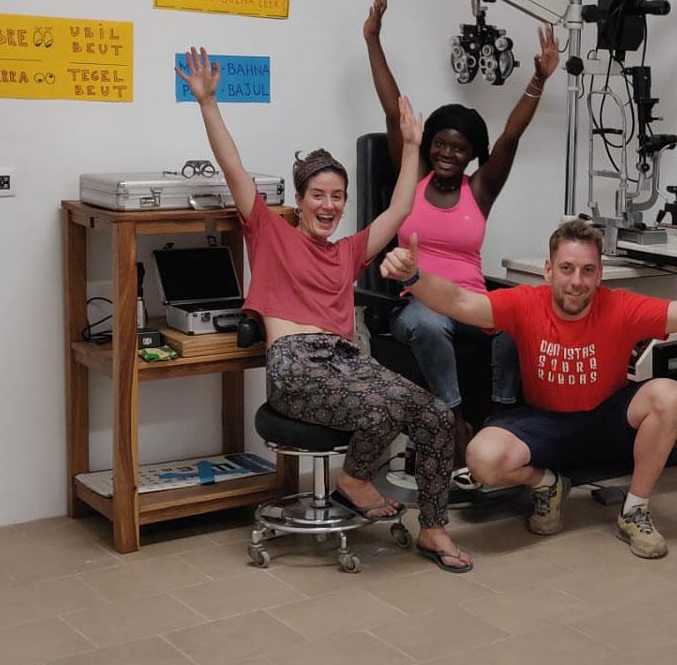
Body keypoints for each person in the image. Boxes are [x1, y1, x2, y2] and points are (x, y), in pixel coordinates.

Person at [175, 46, 473, 574]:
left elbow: (401, 207)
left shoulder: (349, 251)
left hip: (346, 361)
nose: (329, 206)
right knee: (383, 410)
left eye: (338, 196)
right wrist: (208, 104)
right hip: (296, 362)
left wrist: (410, 145)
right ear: (301, 197)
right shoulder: (268, 233)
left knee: (432, 412)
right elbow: (233, 167)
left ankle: (433, 527)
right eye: (318, 195)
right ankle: (354, 480)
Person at [381, 219, 677, 558]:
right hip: (542, 423)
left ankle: (634, 511)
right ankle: (547, 484)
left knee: (667, 392)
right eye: (566, 269)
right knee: (482, 458)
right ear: (549, 271)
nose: (576, 281)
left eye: (587, 270)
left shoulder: (620, 306)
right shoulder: (526, 302)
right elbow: (460, 302)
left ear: (600, 274)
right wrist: (415, 277)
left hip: (605, 420)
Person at [361, 0, 559, 431]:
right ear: (429, 145)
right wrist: (373, 40)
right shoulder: (411, 178)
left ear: (472, 154)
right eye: (441, 144)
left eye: (460, 147)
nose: (448, 153)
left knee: (514, 319)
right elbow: (396, 114)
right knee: (429, 326)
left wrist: (538, 81)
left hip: (471, 300)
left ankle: (502, 416)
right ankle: (452, 420)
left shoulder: (481, 188)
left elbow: (510, 137)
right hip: (420, 300)